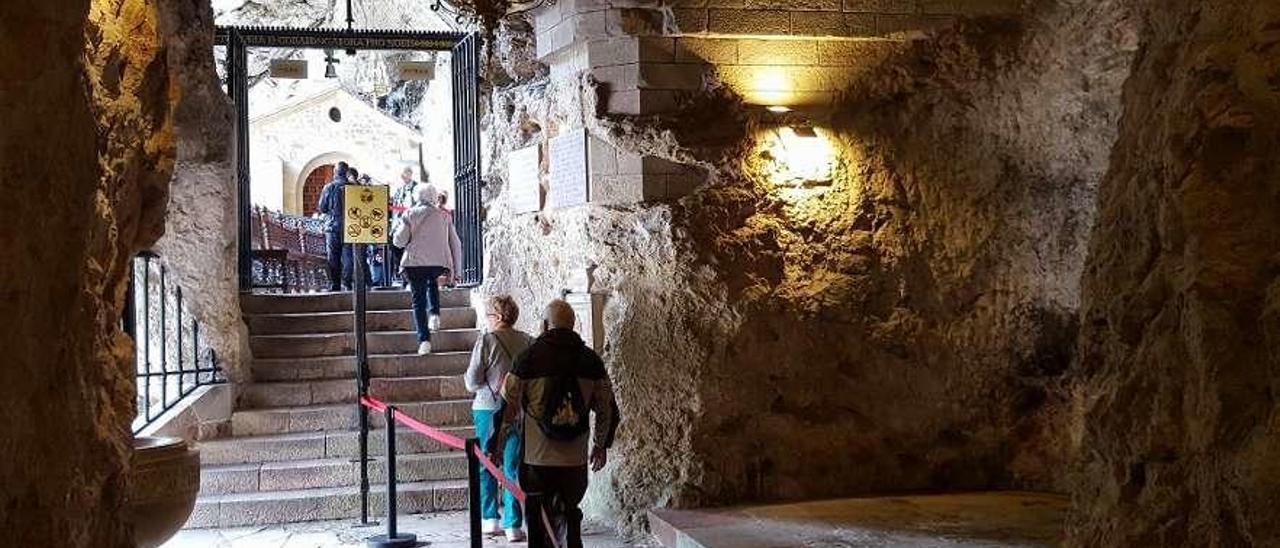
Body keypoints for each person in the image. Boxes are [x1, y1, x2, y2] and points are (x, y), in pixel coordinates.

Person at [490, 300, 620, 548]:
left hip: (537, 458)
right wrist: (601, 445)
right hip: (575, 459)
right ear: (572, 325)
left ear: (545, 325)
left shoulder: (527, 359)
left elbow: (507, 409)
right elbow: (607, 408)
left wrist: (496, 444)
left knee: (537, 514)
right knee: (571, 511)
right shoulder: (591, 361)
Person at [465, 295, 534, 542]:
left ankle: (489, 519)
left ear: (498, 317)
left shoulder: (487, 341)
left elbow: (472, 381)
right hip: (518, 411)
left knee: (487, 463)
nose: (488, 320)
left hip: (488, 407)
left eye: (489, 315)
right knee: (513, 465)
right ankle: (513, 525)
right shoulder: (528, 341)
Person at [392, 184, 462, 355]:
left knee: (418, 302)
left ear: (418, 197)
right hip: (438, 263)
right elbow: (456, 244)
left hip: (415, 263)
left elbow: (399, 242)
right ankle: (435, 315)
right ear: (433, 197)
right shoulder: (444, 216)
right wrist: (457, 272)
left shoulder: (409, 214)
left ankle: (424, 340)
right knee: (432, 281)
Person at [316, 161, 349, 291]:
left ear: (335, 172)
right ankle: (348, 283)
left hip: (333, 226)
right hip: (350, 228)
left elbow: (322, 207)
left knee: (333, 256)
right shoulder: (353, 187)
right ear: (346, 172)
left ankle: (335, 285)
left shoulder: (329, 187)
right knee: (348, 256)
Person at [389, 167, 421, 285]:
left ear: (410, 174)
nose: (403, 177)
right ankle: (403, 276)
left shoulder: (416, 189)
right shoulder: (399, 189)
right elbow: (396, 208)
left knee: (409, 253)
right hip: (398, 225)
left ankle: (409, 278)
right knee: (397, 250)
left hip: (411, 225)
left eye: (405, 174)